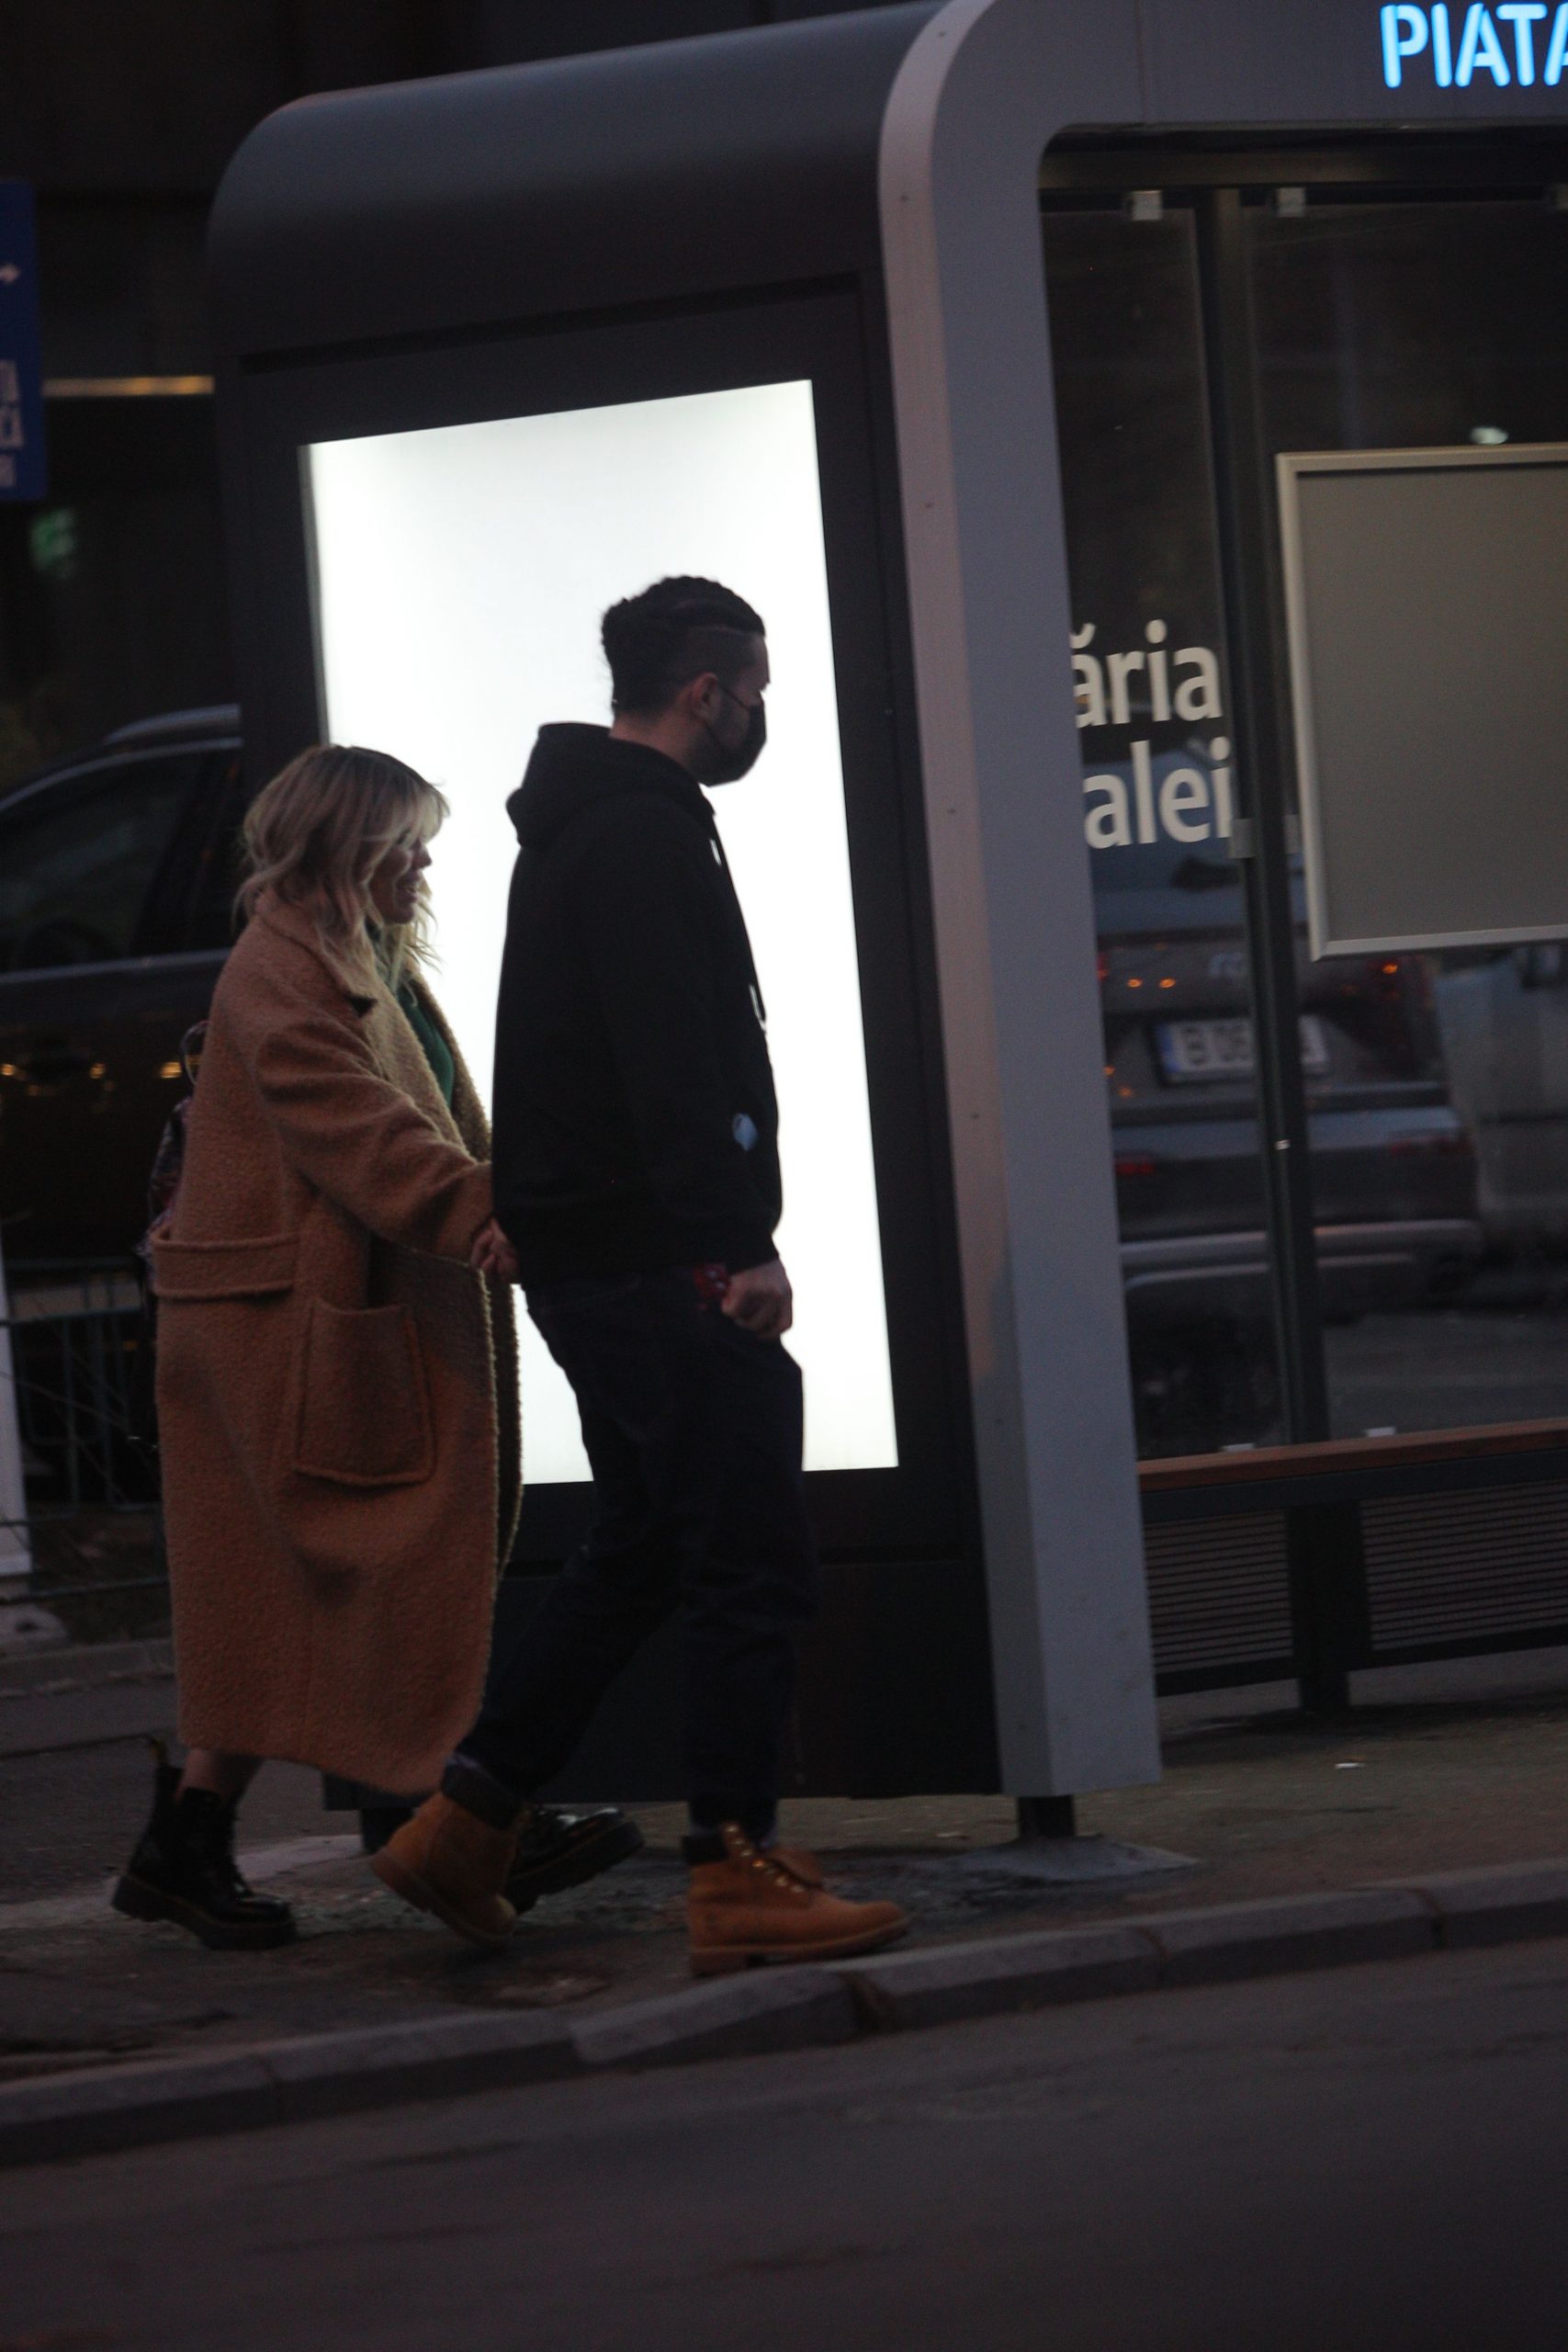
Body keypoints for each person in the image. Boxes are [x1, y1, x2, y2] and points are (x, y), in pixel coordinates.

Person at [374, 579, 908, 1973]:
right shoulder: (638, 836)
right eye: (757, 692)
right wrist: (735, 1244)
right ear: (706, 692)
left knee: (647, 1545)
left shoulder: (590, 825)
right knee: (751, 1557)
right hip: (660, 1257)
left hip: (604, 1253)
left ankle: (465, 1825)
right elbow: (671, 1056)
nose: (760, 717)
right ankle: (735, 1872)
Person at [113, 744, 635, 1951]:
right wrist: (489, 1214)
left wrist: (523, 1205)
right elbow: (359, 1133)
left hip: (320, 1322)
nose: (425, 865)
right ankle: (469, 1821)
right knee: (395, 1571)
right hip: (284, 1341)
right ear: (343, 847)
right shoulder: (279, 973)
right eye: (408, 842)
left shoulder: (357, 957)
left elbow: (424, 1118)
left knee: (292, 1596)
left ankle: (188, 1843)